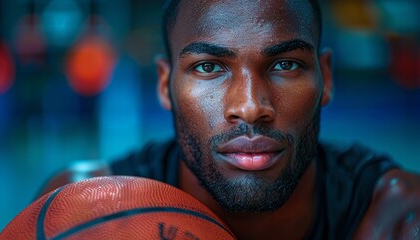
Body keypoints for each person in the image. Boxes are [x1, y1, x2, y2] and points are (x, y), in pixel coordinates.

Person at [39, 0, 420, 239]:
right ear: (165, 83)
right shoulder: (83, 211)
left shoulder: (397, 217)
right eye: (208, 67)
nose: (251, 107)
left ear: (326, 78)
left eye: (286, 65)